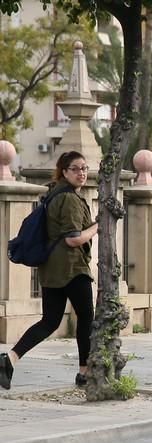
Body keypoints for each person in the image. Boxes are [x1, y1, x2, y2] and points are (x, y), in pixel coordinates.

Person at [0, 151, 98, 390]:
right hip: (72, 268)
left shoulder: (54, 193)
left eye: (84, 168)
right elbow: (73, 239)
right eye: (75, 169)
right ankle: (83, 373)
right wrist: (98, 227)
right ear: (64, 171)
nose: (81, 173)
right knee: (86, 318)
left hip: (52, 268)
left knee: (50, 321)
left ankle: (9, 359)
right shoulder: (70, 199)